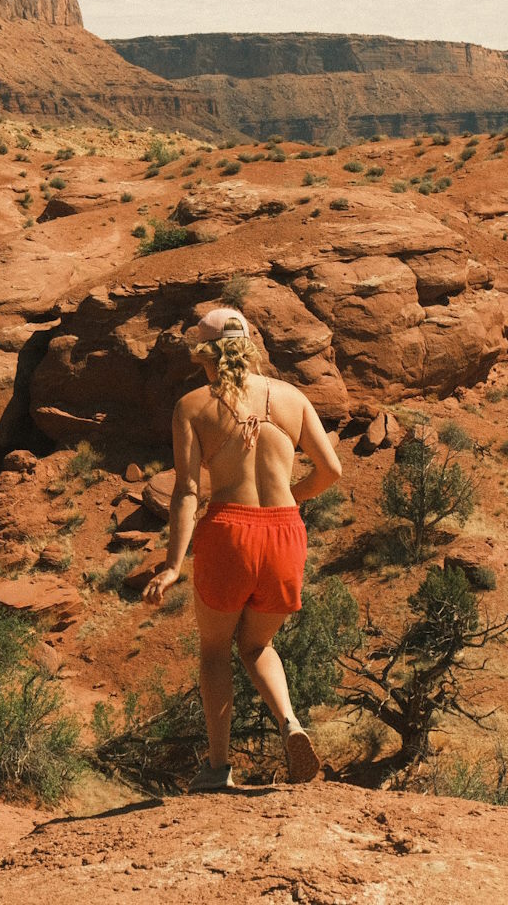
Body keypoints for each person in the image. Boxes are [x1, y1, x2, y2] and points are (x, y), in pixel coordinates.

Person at [141, 306, 343, 791]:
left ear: (202, 354)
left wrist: (172, 565)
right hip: (285, 533)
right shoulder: (292, 398)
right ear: (250, 346)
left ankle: (217, 768)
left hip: (229, 533)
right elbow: (332, 470)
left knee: (215, 650)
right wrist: (293, 498)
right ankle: (291, 723)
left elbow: (188, 490)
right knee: (257, 644)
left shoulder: (192, 406)